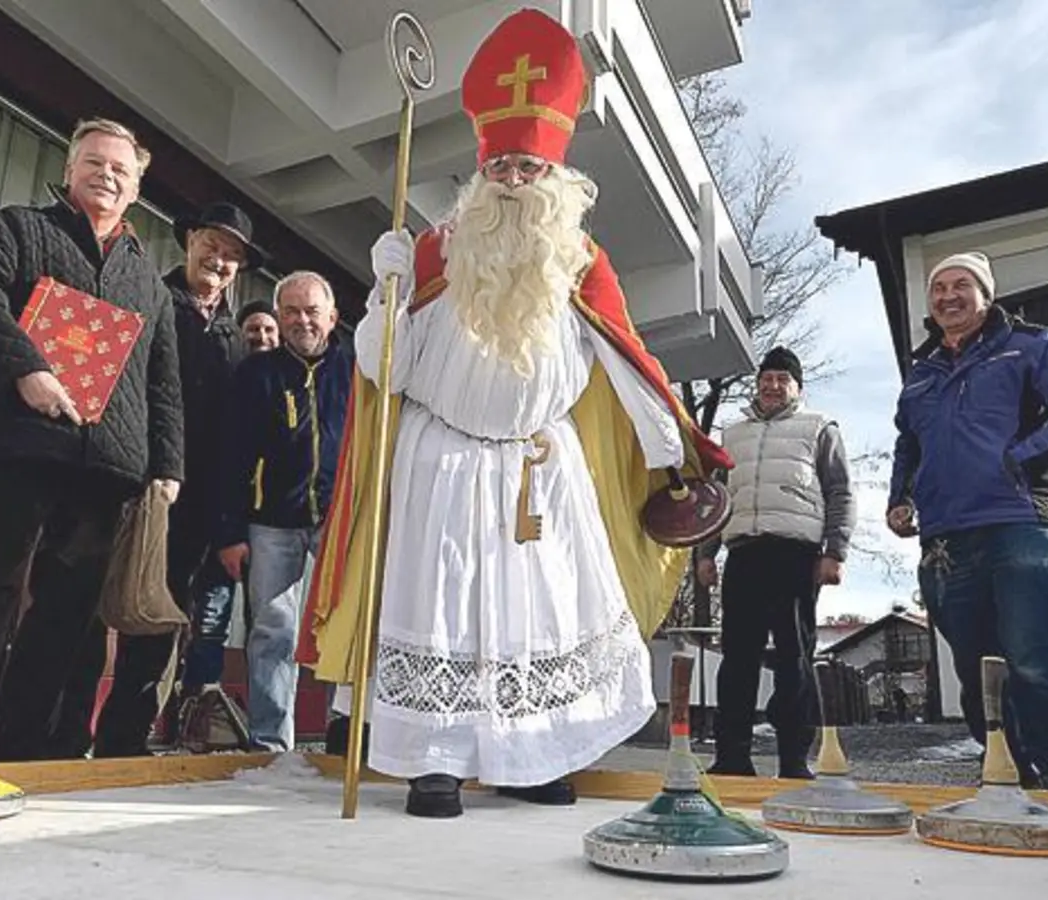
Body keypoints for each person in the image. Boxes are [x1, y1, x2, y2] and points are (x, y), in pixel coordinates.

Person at [295, 8, 730, 819]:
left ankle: (533, 757)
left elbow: (628, 365)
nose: (516, 182)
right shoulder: (434, 253)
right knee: (441, 607)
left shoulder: (581, 263)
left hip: (542, 466)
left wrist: (676, 453)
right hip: (443, 462)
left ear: (558, 179)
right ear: (480, 172)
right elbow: (381, 372)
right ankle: (434, 763)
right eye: (504, 168)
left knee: (543, 612)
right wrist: (386, 296)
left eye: (531, 168)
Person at [0, 118, 184, 762]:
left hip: (105, 470)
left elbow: (164, 382)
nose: (106, 175)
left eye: (120, 169)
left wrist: (166, 467)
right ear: (68, 170)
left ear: (138, 186)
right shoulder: (17, 228)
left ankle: (23, 749)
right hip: (19, 445)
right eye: (93, 162)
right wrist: (24, 369)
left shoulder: (150, 282)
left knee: (68, 615)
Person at [887, 251, 1048, 792]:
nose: (947, 296)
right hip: (945, 537)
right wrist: (900, 496)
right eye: (938, 288)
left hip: (1018, 522)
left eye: (961, 285)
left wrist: (1019, 459)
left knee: (1033, 654)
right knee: (977, 668)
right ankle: (1004, 773)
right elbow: (907, 442)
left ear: (986, 294)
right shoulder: (921, 373)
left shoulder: (1031, 345)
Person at [94, 201, 269, 757]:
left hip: (196, 502)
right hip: (133, 481)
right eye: (211, 246)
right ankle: (59, 731)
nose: (219, 261)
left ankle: (126, 736)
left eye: (232, 255)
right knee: (91, 607)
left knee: (162, 615)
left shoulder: (235, 338)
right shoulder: (150, 299)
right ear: (189, 241)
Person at [696, 346, 855, 779]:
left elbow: (839, 491)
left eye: (782, 379)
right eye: (766, 378)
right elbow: (717, 498)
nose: (772, 385)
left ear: (797, 388)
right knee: (737, 657)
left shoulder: (819, 428)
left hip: (796, 554)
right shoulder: (733, 434)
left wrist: (834, 551)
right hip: (743, 551)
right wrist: (707, 554)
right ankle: (732, 757)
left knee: (794, 658)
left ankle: (792, 758)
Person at [215, 271, 352, 752]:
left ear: (332, 317)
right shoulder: (256, 374)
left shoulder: (357, 372)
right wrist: (231, 531)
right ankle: (270, 742)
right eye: (290, 311)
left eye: (312, 311)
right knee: (273, 629)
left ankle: (343, 733)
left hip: (338, 521)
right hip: (270, 520)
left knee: (343, 628)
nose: (301, 321)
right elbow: (230, 453)